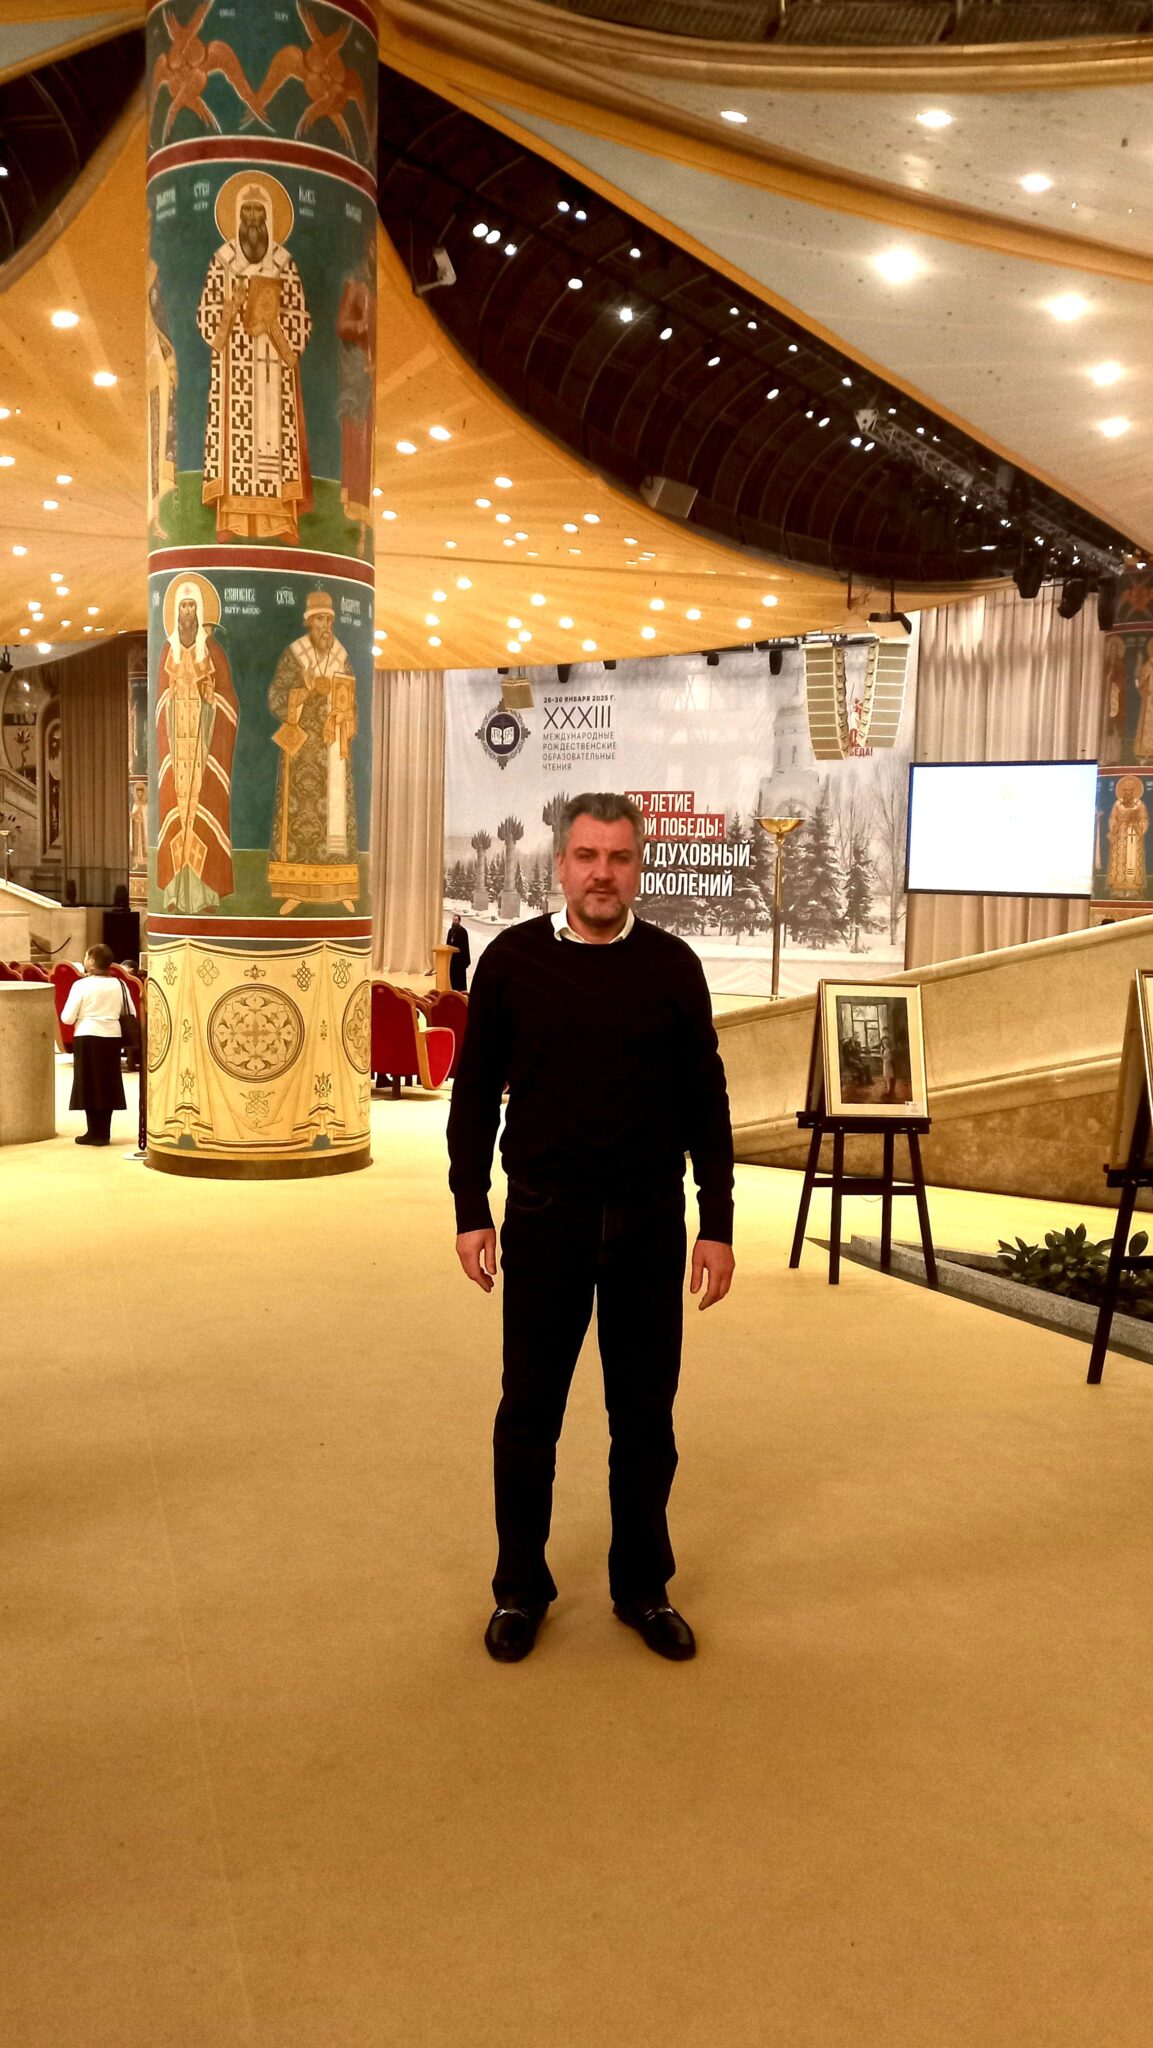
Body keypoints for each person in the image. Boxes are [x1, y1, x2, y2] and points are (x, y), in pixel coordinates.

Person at [447, 791, 735, 1666]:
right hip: (545, 1218)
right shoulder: (511, 961)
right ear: (560, 864)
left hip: (649, 1223)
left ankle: (642, 1586)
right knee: (528, 1416)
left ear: (637, 866)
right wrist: (470, 1208)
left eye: (617, 857)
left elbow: (706, 1100)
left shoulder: (672, 966)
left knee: (644, 1419)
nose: (601, 873)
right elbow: (473, 1093)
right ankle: (518, 1589)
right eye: (585, 856)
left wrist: (717, 1221)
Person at [197, 176, 312, 543]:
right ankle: (230, 520)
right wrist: (231, 308)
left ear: (268, 218)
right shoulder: (222, 261)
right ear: (236, 216)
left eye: (257, 212)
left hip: (273, 366)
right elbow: (206, 315)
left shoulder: (283, 263)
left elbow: (300, 317)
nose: (251, 219)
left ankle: (281, 522)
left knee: (275, 443)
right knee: (236, 443)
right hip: (235, 368)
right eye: (245, 211)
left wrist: (273, 322)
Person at [268, 590, 358, 913]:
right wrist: (306, 690)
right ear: (309, 622)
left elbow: (352, 702)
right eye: (320, 619)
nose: (325, 626)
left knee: (336, 817)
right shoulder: (295, 655)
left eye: (329, 619)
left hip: (333, 750)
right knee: (302, 820)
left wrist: (345, 715)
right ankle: (295, 890)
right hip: (303, 753)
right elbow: (276, 697)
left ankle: (341, 888)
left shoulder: (341, 655)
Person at [155, 578, 239, 912]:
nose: (187, 612)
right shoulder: (167, 652)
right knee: (176, 818)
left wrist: (211, 697)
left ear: (200, 611)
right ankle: (175, 893)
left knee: (204, 814)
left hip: (204, 748)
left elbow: (229, 700)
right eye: (183, 606)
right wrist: (172, 696)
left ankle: (206, 894)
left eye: (192, 606)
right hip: (176, 751)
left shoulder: (212, 652)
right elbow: (159, 701)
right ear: (176, 612)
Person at [61, 945, 133, 1147]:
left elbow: (67, 1018)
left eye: (86, 956)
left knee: (89, 1084)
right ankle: (104, 1132)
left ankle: (93, 1131)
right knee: (107, 1084)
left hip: (87, 1036)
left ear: (92, 961)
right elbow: (131, 1011)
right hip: (112, 1038)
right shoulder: (120, 984)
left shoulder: (81, 986)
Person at [445, 912, 470, 991]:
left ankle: (462, 993)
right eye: (453, 920)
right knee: (452, 977)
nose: (454, 922)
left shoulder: (463, 931)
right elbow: (447, 944)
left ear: (459, 921)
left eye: (456, 920)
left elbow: (465, 946)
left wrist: (458, 949)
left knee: (460, 979)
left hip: (460, 959)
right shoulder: (450, 931)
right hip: (452, 958)